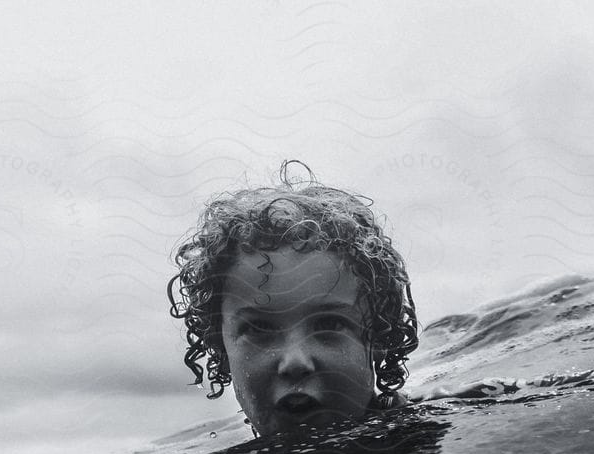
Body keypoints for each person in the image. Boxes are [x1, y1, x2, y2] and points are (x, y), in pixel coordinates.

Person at [168, 162, 418, 438]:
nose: (295, 362)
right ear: (221, 349)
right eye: (259, 329)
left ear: (380, 337)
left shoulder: (430, 442)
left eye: (329, 324)